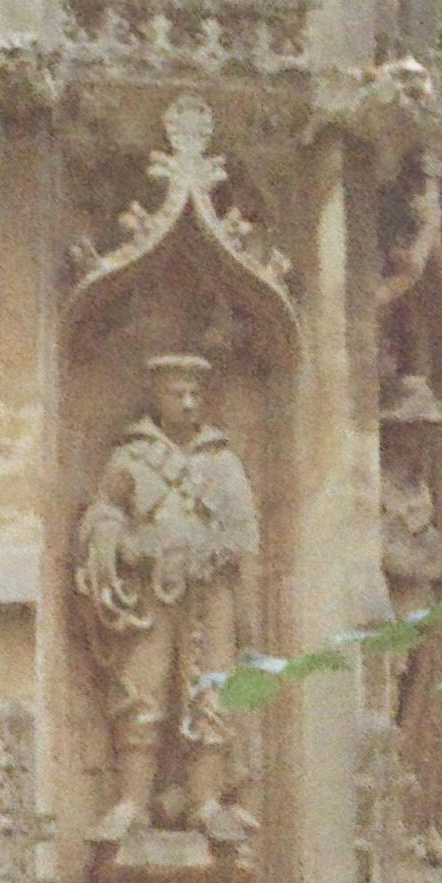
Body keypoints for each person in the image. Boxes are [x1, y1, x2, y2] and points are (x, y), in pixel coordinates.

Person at [75, 348, 260, 850]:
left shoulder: (221, 463)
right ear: (157, 397)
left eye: (195, 394)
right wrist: (128, 546)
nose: (188, 403)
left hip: (209, 593)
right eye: (177, 393)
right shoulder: (131, 458)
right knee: (141, 689)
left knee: (211, 690)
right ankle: (132, 801)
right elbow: (102, 516)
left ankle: (205, 801)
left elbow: (244, 533)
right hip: (152, 595)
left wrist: (213, 555)